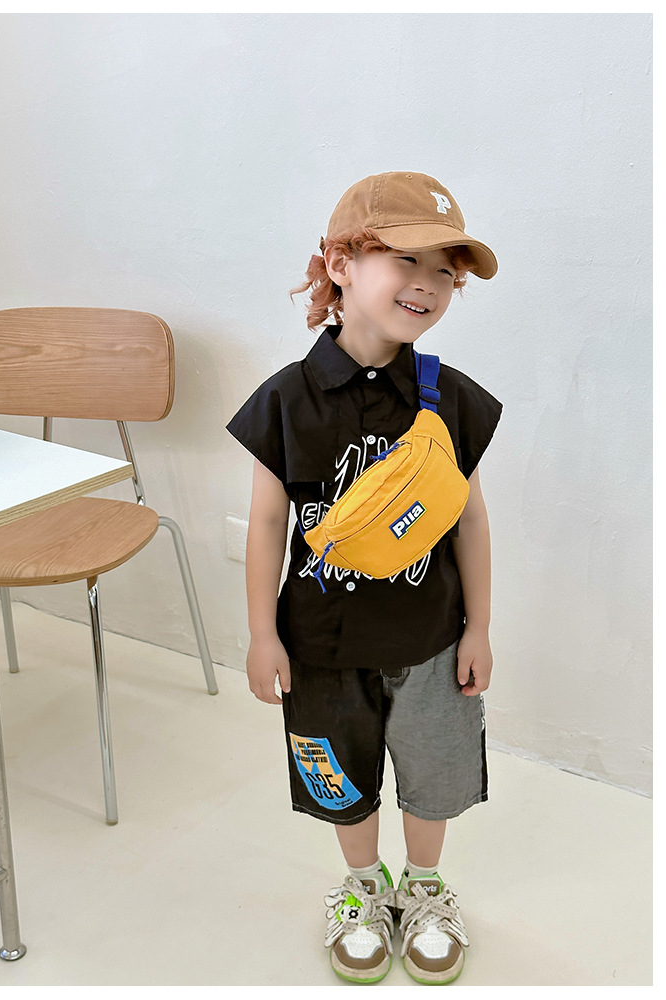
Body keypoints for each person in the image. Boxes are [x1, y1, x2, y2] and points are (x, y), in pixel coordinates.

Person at [226, 171, 502, 985]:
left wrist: (480, 628)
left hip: (430, 641)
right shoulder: (286, 400)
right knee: (341, 776)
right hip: (321, 643)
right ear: (340, 263)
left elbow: (472, 521)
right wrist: (262, 634)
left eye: (445, 270)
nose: (428, 283)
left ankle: (424, 888)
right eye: (406, 259)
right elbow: (267, 525)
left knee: (432, 774)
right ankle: (362, 886)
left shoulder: (449, 400)